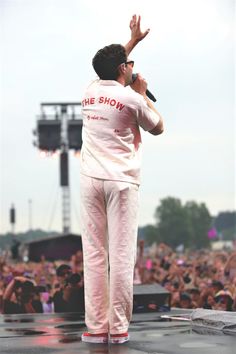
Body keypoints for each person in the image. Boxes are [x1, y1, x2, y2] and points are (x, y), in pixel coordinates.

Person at [80, 15, 164, 344]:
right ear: (124, 71)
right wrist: (142, 93)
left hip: (90, 180)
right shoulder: (131, 98)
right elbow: (158, 127)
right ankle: (118, 329)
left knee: (95, 254)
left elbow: (109, 69)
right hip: (122, 183)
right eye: (127, 64)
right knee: (121, 253)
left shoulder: (88, 92)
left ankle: (96, 327)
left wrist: (132, 42)